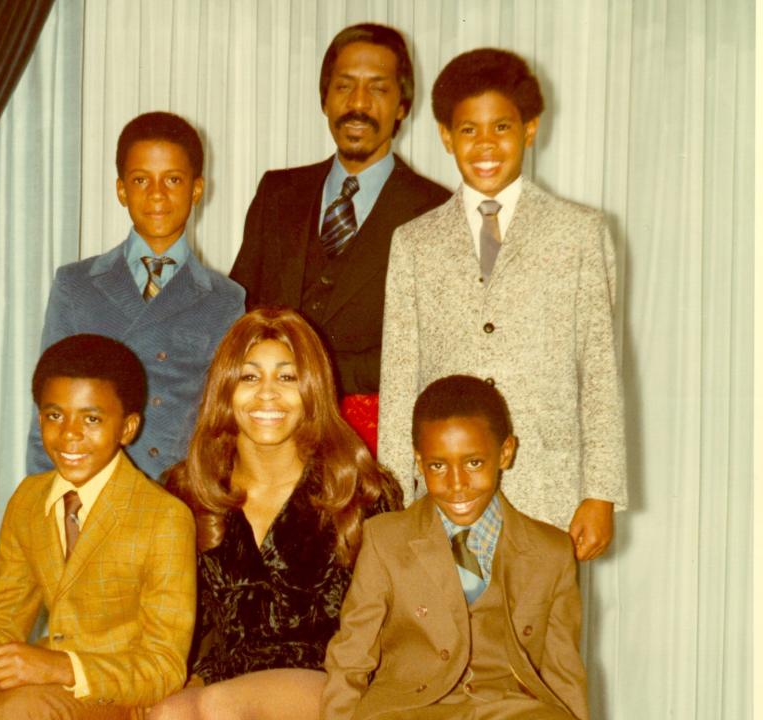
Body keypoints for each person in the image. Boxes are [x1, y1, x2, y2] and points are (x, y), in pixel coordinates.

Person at [378, 48, 626, 559]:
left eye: (502, 128)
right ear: (446, 136)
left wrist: (600, 492)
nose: (485, 145)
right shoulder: (414, 242)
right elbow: (400, 375)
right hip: (445, 493)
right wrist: (397, 495)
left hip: (548, 491)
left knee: (541, 632)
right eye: (468, 131)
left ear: (530, 129)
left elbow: (599, 367)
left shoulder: (579, 233)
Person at [0, 334, 196, 719]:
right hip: (41, 687)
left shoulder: (164, 518)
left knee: (22, 709)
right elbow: (0, 626)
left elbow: (163, 667)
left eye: (91, 419)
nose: (70, 434)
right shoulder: (28, 499)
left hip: (120, 696)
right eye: (54, 415)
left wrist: (58, 667)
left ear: (127, 428)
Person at [150, 308, 401, 720]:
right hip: (225, 679)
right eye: (249, 377)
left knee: (216, 706)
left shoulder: (361, 491)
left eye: (287, 377)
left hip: (332, 682)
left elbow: (394, 626)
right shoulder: (187, 491)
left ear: (313, 390)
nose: (267, 394)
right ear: (225, 389)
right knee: (168, 713)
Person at [229, 23, 450, 455]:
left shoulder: (437, 210)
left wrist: (309, 375)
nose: (358, 105)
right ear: (324, 98)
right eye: (344, 87)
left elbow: (431, 348)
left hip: (374, 447)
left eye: (378, 90)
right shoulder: (277, 192)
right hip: (271, 439)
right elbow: (240, 313)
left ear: (402, 105)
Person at [323, 375, 588, 719]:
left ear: (505, 452)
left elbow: (563, 673)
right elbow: (350, 659)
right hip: (408, 709)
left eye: (474, 462)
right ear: (419, 463)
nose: (457, 484)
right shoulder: (384, 540)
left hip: (509, 709)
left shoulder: (551, 551)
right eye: (438, 466)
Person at [27, 112, 244, 481]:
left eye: (172, 180)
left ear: (196, 189)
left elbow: (226, 426)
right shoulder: (76, 285)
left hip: (182, 499)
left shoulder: (226, 299)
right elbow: (47, 409)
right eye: (141, 180)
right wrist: (42, 502)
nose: (157, 195)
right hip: (94, 492)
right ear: (121, 190)